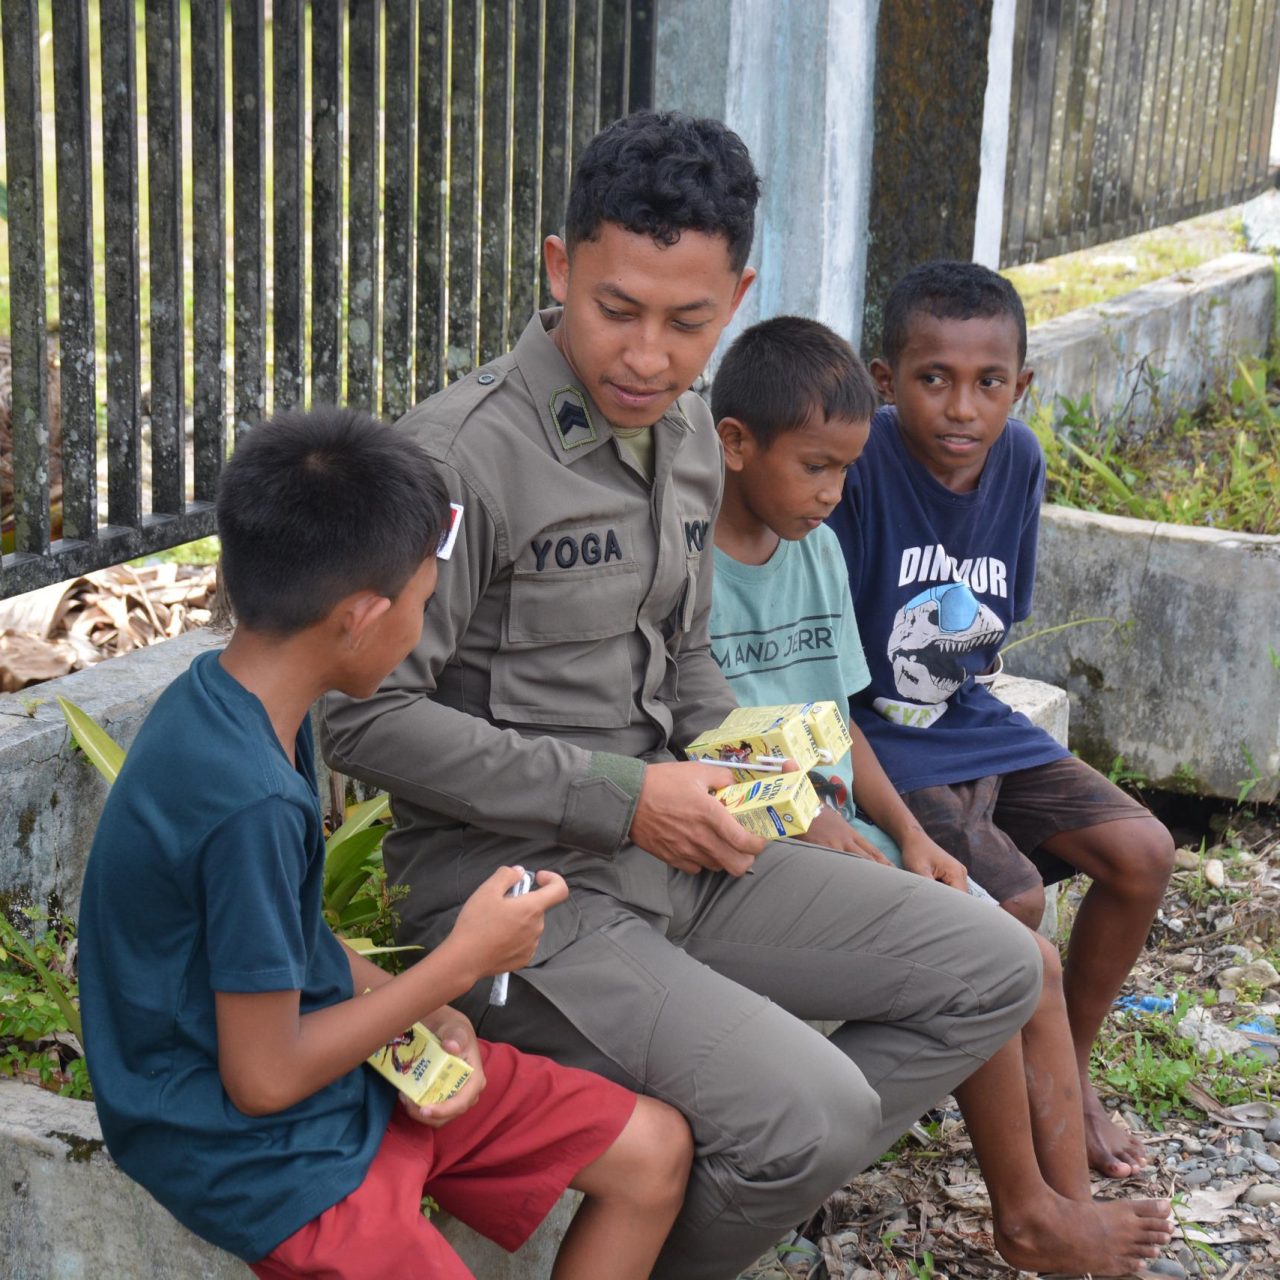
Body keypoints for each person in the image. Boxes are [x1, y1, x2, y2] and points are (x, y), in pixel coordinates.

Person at [322, 111, 1046, 1280]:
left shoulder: (691, 444)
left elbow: (688, 662)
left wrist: (792, 789)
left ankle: (719, 1176)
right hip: (520, 901)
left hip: (692, 855)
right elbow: (359, 717)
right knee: (807, 1112)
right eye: (617, 309)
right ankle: (741, 1155)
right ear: (559, 268)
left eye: (688, 321)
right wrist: (623, 795)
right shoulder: (460, 458)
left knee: (992, 966)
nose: (648, 356)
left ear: (738, 294)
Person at [77, 409, 693, 1280]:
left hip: (333, 1061)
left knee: (651, 1151)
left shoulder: (238, 702)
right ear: (361, 619)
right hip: (248, 1149)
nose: (424, 623)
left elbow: (277, 943)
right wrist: (458, 967)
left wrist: (422, 1009)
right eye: (423, 602)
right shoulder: (242, 795)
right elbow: (262, 1078)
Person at [708, 314, 1174, 1274]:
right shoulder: (688, 574)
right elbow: (704, 739)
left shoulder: (814, 552)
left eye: (843, 473)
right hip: (765, 836)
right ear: (733, 443)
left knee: (1020, 943)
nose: (833, 495)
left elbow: (835, 721)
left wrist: (902, 835)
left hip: (843, 813)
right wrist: (829, 820)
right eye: (818, 472)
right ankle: (1033, 1216)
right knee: (1011, 945)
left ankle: (1059, 1209)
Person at [827, 260, 1177, 1181]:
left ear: (1022, 387)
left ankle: (1074, 1072)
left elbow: (989, 627)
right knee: (1012, 901)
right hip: (873, 732)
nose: (961, 408)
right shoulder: (859, 467)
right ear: (884, 382)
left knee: (1143, 854)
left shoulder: (1019, 459)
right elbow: (832, 663)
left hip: (963, 713)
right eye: (932, 379)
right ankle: (1032, 1139)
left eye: (989, 384)